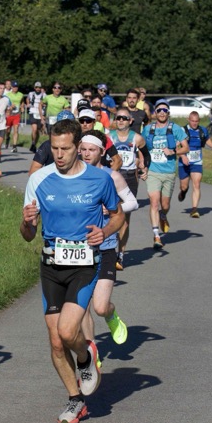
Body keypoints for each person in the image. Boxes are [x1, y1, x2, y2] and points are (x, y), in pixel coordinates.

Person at [20, 118, 124, 423]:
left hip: (84, 264)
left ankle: (84, 354)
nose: (59, 154)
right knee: (55, 342)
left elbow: (118, 216)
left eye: (65, 148)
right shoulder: (39, 180)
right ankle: (75, 400)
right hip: (51, 265)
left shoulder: (100, 179)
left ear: (78, 147)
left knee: (67, 332)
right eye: (54, 148)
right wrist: (27, 222)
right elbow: (27, 235)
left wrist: (104, 232)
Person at [77, 132, 134, 361]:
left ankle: (111, 316)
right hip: (80, 249)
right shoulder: (74, 176)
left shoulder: (112, 176)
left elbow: (132, 202)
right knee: (82, 307)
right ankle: (93, 355)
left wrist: (111, 209)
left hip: (107, 246)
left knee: (100, 307)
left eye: (92, 150)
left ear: (101, 152)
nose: (86, 154)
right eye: (83, 149)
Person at [141, 102, 187, 250]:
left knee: (165, 205)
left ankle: (163, 214)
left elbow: (186, 147)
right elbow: (140, 148)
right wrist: (142, 166)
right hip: (153, 171)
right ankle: (156, 236)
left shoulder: (175, 128)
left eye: (164, 110)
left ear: (168, 113)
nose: (162, 112)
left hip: (168, 172)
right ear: (155, 112)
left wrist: (174, 152)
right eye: (159, 110)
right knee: (154, 202)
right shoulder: (148, 129)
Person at [109, 110, 147, 268]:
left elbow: (146, 154)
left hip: (130, 177)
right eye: (118, 118)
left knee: (125, 218)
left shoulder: (137, 138)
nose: (121, 120)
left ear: (130, 121)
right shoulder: (109, 136)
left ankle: (120, 255)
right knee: (110, 214)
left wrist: (145, 168)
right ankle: (108, 251)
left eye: (124, 118)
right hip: (113, 176)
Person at [177, 111, 212, 219]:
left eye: (196, 121)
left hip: (197, 161)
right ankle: (183, 192)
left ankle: (194, 209)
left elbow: (207, 139)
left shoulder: (202, 130)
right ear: (188, 120)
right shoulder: (182, 131)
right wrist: (183, 156)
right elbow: (175, 146)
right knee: (184, 186)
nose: (194, 123)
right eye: (192, 121)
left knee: (197, 184)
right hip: (184, 162)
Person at [4, 80, 25, 151]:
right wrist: (10, 107)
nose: (15, 88)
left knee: (16, 130)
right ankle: (7, 138)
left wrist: (22, 107)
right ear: (11, 87)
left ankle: (14, 146)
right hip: (9, 114)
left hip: (17, 115)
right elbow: (4, 104)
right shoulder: (7, 95)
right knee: (8, 130)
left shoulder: (21, 94)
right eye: (14, 87)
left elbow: (22, 102)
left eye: (16, 87)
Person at [27, 81, 47, 150]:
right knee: (34, 129)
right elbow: (27, 99)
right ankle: (33, 142)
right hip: (33, 112)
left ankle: (34, 144)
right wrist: (28, 104)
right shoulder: (31, 94)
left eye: (39, 87)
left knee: (37, 131)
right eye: (36, 87)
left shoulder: (44, 95)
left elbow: (46, 103)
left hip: (40, 113)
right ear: (34, 88)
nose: (38, 89)